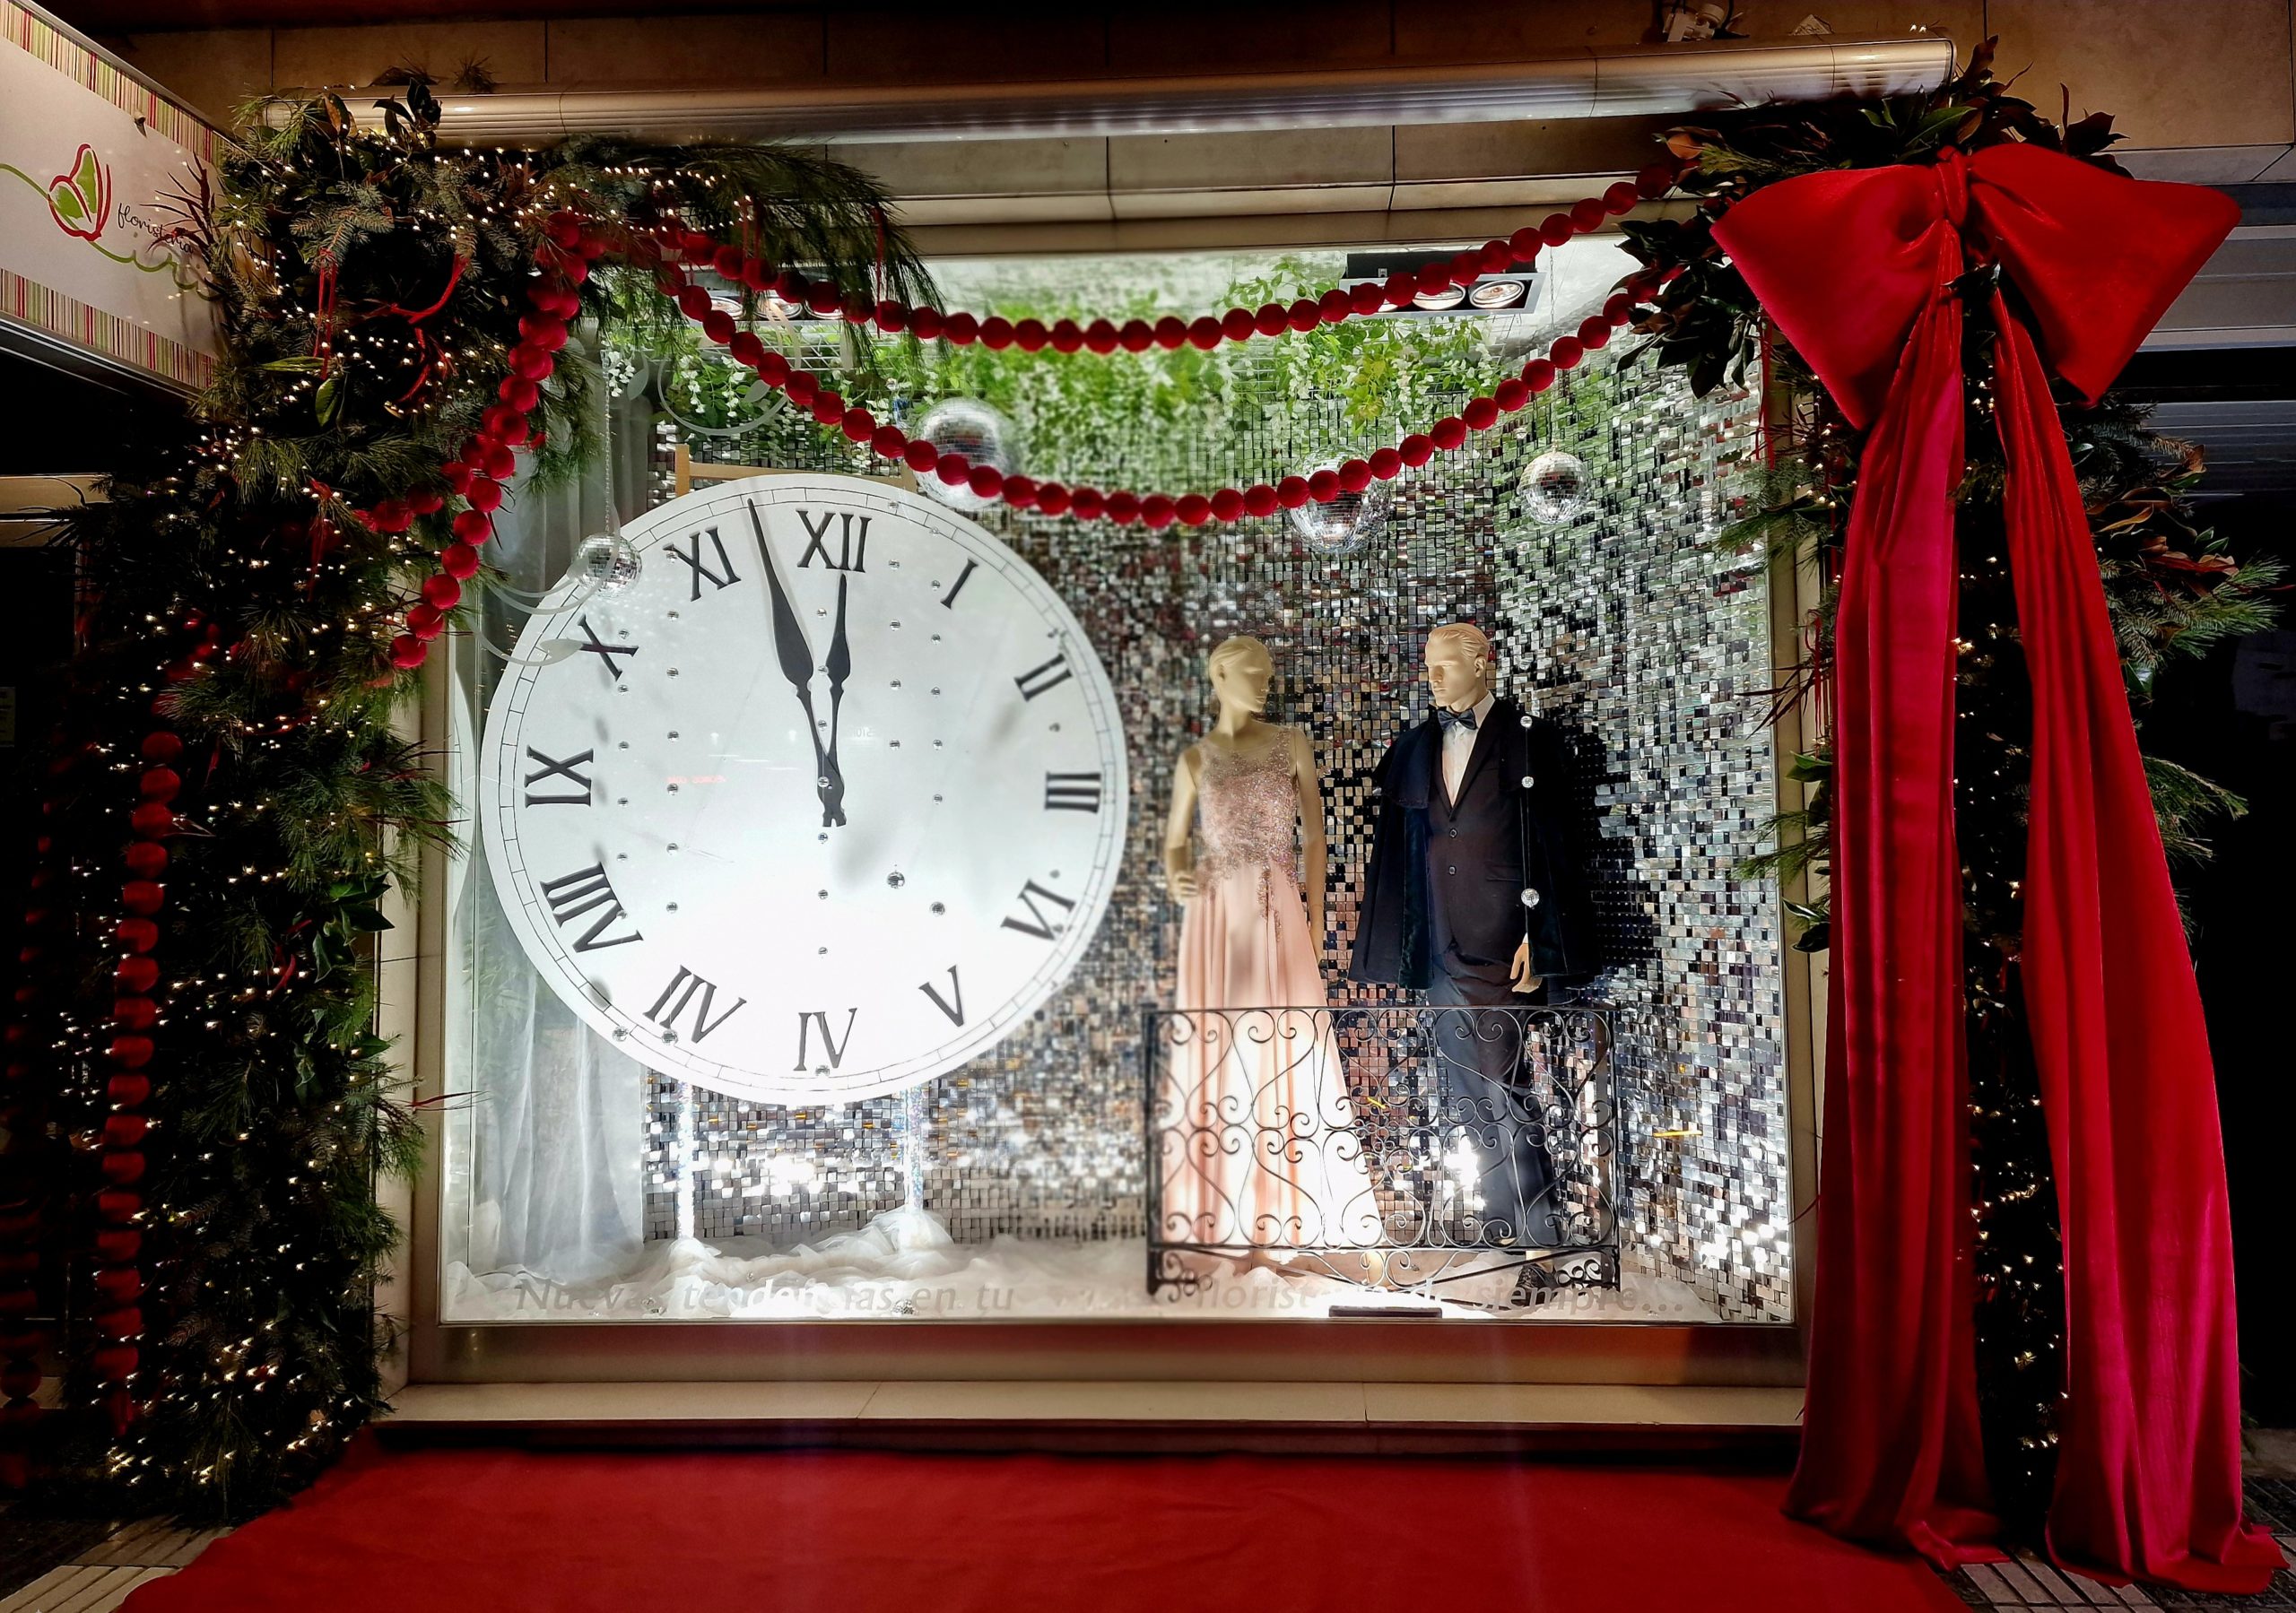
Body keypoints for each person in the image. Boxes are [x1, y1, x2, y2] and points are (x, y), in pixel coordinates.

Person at [1349, 622, 1596, 1265]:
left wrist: (1537, 934)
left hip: (1501, 942)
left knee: (1503, 1088)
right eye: (1427, 665)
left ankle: (1540, 1238)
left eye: (1446, 665)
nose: (1432, 677)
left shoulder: (1530, 740)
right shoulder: (1415, 746)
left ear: (1483, 663)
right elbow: (1405, 849)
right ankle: (1503, 1228)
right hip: (1437, 941)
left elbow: (1555, 846)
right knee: (1465, 1093)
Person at [1158, 635, 1381, 1268]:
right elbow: (1175, 842)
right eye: (1251, 674)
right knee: (1221, 1049)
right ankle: (1223, 1217)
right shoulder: (1196, 758)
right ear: (1219, 677)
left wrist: (1316, 915)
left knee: (1287, 1042)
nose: (1263, 684)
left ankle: (1288, 1215)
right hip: (1215, 917)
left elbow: (1315, 838)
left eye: (1267, 674)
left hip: (1276, 906)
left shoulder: (1291, 744)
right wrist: (1175, 874)